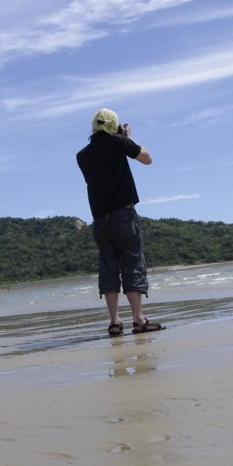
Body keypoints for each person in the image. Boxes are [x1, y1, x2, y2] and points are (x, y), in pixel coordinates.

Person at [76, 108, 165, 337]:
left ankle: (115, 322)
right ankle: (138, 320)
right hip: (124, 215)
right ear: (114, 125)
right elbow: (147, 159)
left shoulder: (82, 155)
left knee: (108, 268)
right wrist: (127, 138)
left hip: (100, 219)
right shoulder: (118, 142)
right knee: (133, 264)